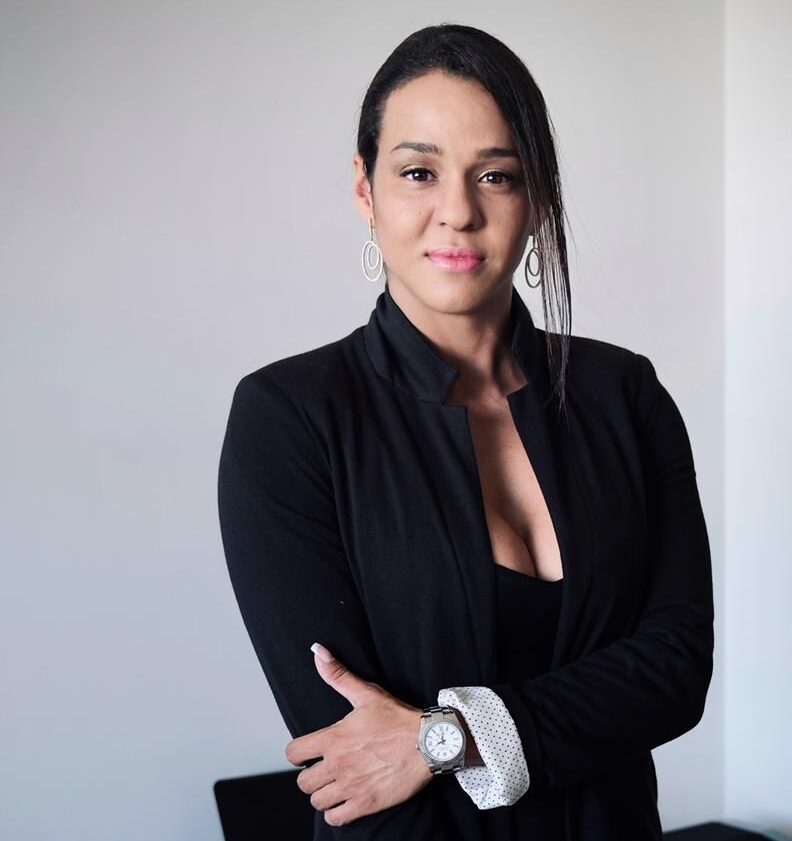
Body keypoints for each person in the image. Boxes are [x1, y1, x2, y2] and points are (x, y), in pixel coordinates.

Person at [217, 22, 714, 841]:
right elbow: (351, 754)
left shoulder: (626, 393)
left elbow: (676, 668)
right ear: (364, 190)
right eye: (419, 172)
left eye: (496, 175)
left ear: (537, 196)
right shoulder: (289, 418)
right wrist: (552, 720)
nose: (457, 211)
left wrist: (443, 736)